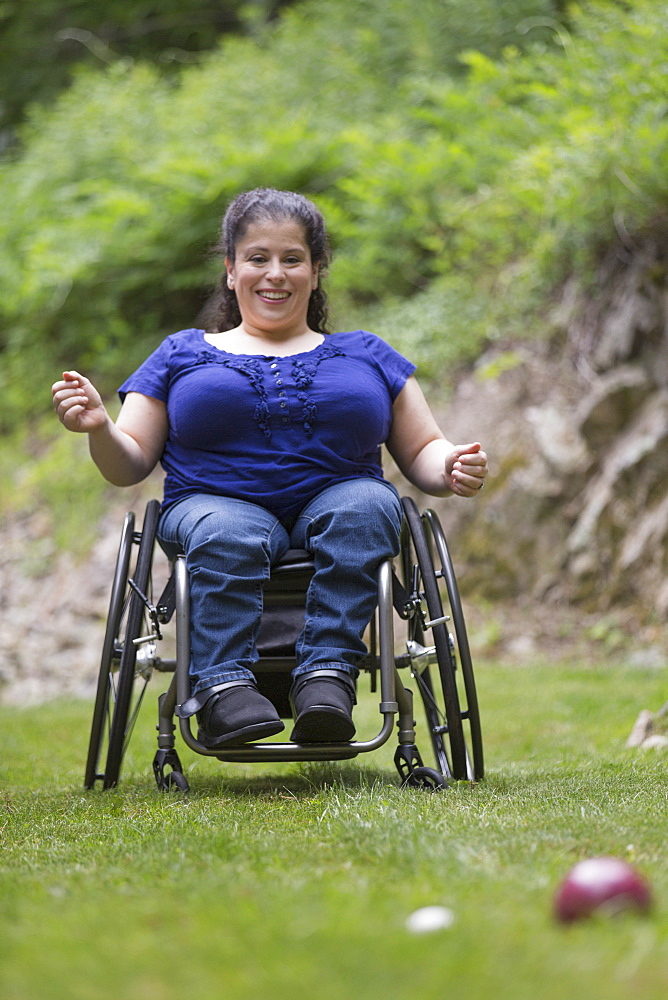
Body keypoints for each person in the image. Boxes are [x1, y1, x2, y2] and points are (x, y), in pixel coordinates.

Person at [52, 187, 488, 749]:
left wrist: (450, 462)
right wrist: (99, 428)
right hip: (210, 505)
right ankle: (224, 688)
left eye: (292, 258)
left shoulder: (367, 353)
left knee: (371, 505)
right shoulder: (182, 353)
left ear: (316, 269)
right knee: (229, 531)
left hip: (338, 500)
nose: (275, 274)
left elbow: (423, 446)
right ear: (232, 271)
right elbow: (129, 461)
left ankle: (327, 676)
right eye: (258, 258)